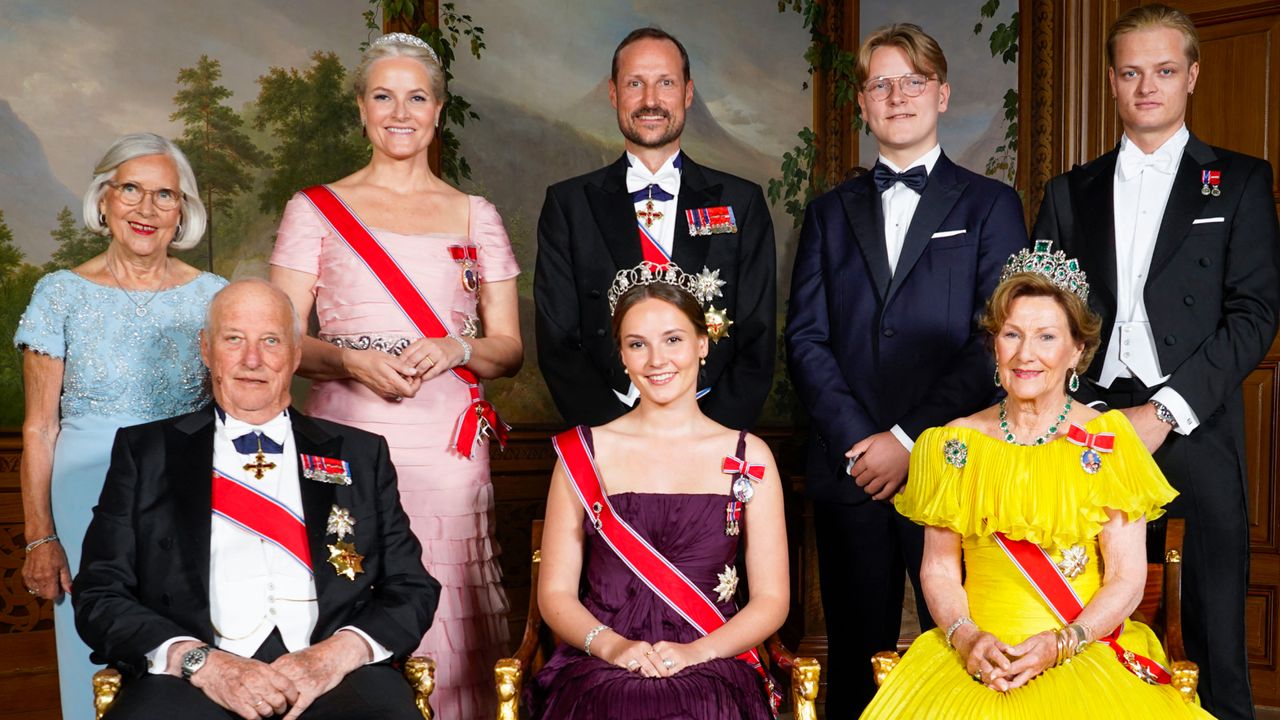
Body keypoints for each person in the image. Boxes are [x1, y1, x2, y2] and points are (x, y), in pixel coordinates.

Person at [1032, 6, 1280, 718]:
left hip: (1194, 423)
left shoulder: (1236, 182)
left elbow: (1254, 314)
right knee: (1074, 620)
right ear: (1112, 81)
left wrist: (1166, 410)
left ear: (1192, 76)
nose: (1148, 87)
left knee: (1213, 642)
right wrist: (1074, 410)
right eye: (1132, 72)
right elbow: (1041, 315)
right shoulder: (1069, 191)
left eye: (1165, 71)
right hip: (1087, 425)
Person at [269, 32, 521, 719]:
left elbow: (508, 349)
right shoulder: (313, 208)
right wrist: (350, 360)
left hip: (446, 444)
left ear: (438, 111)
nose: (400, 111)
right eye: (384, 95)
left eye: (416, 97)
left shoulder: (478, 214)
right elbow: (279, 340)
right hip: (344, 436)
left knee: (451, 594)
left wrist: (457, 349)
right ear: (361, 108)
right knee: (349, 584)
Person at [784, 23, 1028, 716]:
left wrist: (907, 439)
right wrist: (864, 443)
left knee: (967, 659)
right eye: (880, 84)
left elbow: (998, 342)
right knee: (856, 666)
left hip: (952, 466)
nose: (898, 96)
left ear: (942, 94)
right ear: (861, 104)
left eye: (913, 81)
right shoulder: (828, 215)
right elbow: (804, 337)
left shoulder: (990, 206)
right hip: (850, 471)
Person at [861, 242, 1213, 718]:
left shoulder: (1109, 441)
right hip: (979, 658)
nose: (1026, 355)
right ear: (994, 345)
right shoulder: (950, 444)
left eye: (1046, 337)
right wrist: (967, 638)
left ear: (1078, 350)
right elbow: (939, 570)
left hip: (1080, 652)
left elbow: (1127, 578)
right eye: (1012, 334)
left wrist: (1061, 643)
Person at [73, 279, 440, 720]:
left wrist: (336, 656)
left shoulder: (360, 454)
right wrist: (197, 662)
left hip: (337, 674)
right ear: (206, 349)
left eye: (271, 340)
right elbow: (99, 594)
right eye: (233, 339)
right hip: (195, 677)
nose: (252, 360)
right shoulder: (146, 452)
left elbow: (412, 588)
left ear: (296, 354)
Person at [14, 132, 226, 720]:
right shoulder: (59, 294)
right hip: (85, 497)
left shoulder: (213, 296)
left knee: (194, 658)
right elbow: (38, 428)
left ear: (182, 211)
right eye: (131, 189)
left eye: (165, 194)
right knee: (95, 658)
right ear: (103, 199)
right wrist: (40, 537)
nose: (146, 208)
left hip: (186, 497)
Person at [526, 263, 789, 719]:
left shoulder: (751, 456)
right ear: (622, 356)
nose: (656, 360)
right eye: (637, 345)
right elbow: (555, 594)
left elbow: (771, 599)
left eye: (673, 339)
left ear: (703, 344)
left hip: (713, 660)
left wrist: (699, 653)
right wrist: (613, 647)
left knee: (702, 704)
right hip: (601, 662)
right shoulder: (582, 452)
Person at [535, 27, 776, 429]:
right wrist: (617, 435)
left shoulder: (742, 202)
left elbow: (757, 337)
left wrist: (709, 436)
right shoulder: (568, 205)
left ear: (687, 93)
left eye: (665, 82)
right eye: (635, 83)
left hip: (712, 432)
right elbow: (557, 343)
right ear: (613, 93)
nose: (650, 100)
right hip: (607, 431)